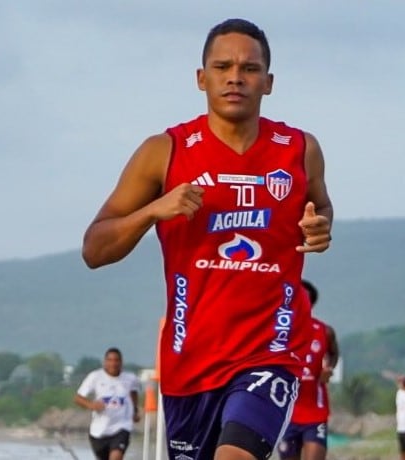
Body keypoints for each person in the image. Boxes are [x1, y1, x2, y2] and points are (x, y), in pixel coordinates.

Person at [82, 18, 333, 460]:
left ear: (268, 82)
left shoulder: (299, 149)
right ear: (202, 78)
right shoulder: (165, 151)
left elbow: (321, 208)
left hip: (270, 353)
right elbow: (94, 249)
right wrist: (153, 211)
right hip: (189, 363)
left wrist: (320, 226)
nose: (235, 76)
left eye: (249, 68)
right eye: (222, 66)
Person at [277, 280, 339, 460]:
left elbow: (333, 354)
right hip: (286, 410)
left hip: (315, 411)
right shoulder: (280, 330)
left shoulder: (324, 331)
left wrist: (329, 368)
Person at [74, 348, 141, 460]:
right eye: (110, 360)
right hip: (99, 431)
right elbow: (78, 398)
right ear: (105, 362)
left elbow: (134, 392)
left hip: (122, 427)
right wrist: (91, 405)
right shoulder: (95, 377)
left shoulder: (130, 378)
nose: (113, 364)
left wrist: (135, 410)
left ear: (121, 362)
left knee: (116, 457)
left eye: (116, 360)